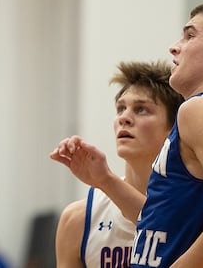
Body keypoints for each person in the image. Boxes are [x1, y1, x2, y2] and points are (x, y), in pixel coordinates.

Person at [51, 1, 203, 267]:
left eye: (190, 35)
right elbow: (168, 226)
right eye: (120, 108)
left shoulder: (199, 109)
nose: (174, 47)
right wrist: (106, 180)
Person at [52, 61, 184, 268]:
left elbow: (164, 226)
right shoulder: (78, 219)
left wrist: (106, 180)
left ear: (175, 128)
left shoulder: (196, 206)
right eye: (121, 108)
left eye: (141, 110)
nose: (124, 118)